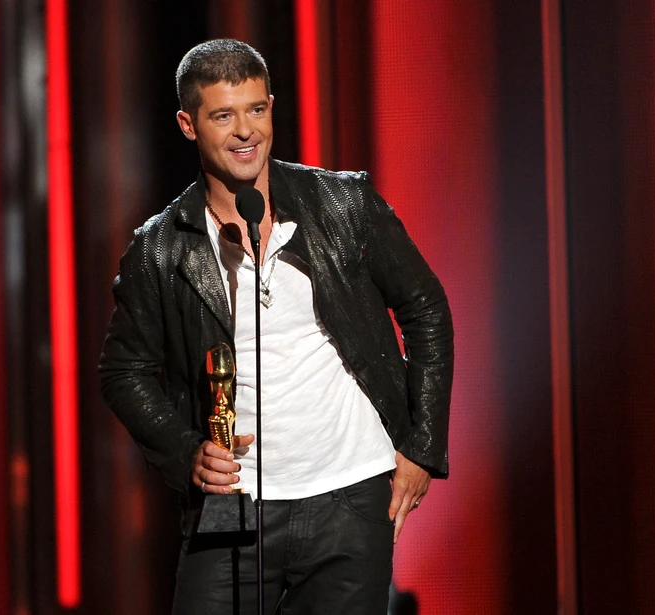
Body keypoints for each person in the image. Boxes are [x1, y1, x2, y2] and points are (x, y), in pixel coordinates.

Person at [99, 39, 453, 615]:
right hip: (232, 501)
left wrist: (422, 445)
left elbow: (426, 309)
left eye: (257, 110)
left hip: (350, 493)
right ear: (188, 125)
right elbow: (124, 370)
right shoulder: (160, 250)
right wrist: (186, 452)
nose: (246, 131)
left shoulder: (343, 205)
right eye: (223, 116)